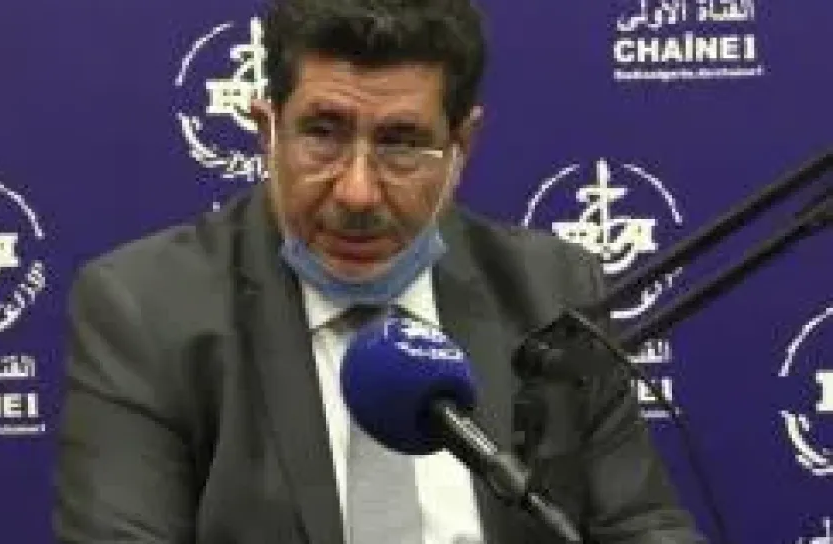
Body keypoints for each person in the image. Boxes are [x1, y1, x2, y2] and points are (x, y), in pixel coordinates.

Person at [54, 0, 706, 542]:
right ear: (266, 130)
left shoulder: (550, 291)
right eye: (323, 133)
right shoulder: (146, 310)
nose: (358, 193)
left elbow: (641, 525)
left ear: (461, 146)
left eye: (400, 143)